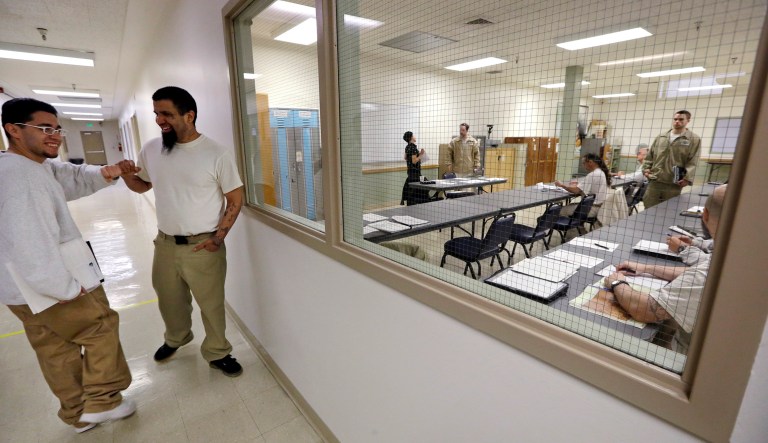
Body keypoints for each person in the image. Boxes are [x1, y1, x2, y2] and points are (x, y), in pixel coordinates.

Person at [0, 98, 138, 433]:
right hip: (44, 282)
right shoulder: (19, 179)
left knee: (54, 348)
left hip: (18, 289)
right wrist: (61, 286)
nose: (55, 135)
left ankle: (77, 412)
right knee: (99, 325)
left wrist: (104, 173)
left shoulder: (28, 165)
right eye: (44, 128)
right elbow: (27, 239)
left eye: (57, 128)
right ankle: (105, 401)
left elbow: (67, 175)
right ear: (14, 131)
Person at [122, 86, 246, 377]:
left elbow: (235, 198)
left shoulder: (216, 153)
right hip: (164, 244)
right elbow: (142, 185)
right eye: (156, 113)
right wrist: (128, 175)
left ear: (189, 116)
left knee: (211, 304)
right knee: (169, 299)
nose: (158, 120)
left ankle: (218, 352)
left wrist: (218, 238)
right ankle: (177, 338)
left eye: (166, 114)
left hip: (202, 245)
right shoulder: (152, 149)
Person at [603, 184, 727, 352]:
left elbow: (644, 310)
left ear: (704, 215)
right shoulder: (732, 256)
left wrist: (618, 283)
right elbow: (694, 273)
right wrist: (646, 268)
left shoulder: (709, 272)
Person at [642, 110, 702, 208]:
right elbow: (650, 155)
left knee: (670, 208)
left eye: (681, 119)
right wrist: (645, 169)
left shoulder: (693, 139)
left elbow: (693, 161)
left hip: (674, 182)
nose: (677, 121)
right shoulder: (661, 137)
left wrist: (687, 178)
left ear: (688, 121)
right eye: (675, 119)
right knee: (649, 205)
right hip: (655, 179)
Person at [554, 153, 610, 219]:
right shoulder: (601, 172)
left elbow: (576, 191)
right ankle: (579, 226)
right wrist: (580, 184)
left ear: (590, 162)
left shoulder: (592, 175)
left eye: (584, 163)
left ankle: (572, 228)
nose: (583, 166)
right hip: (598, 207)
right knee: (571, 206)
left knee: (556, 211)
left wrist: (562, 185)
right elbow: (591, 186)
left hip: (590, 209)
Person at [400, 131, 432, 205]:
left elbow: (405, 158)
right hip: (415, 174)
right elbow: (414, 161)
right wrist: (421, 154)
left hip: (410, 173)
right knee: (426, 186)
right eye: (413, 135)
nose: (414, 136)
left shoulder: (407, 147)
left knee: (412, 191)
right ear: (411, 137)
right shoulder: (413, 147)